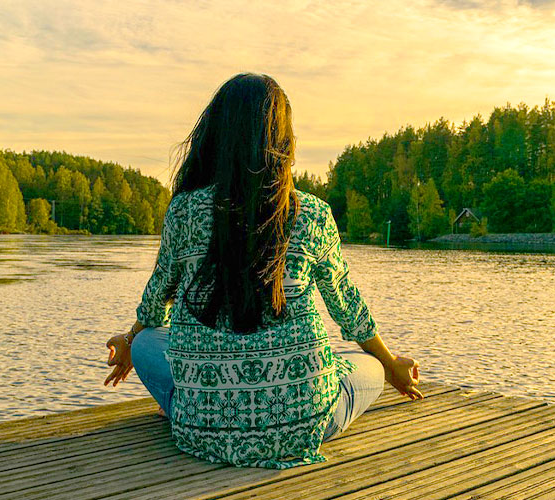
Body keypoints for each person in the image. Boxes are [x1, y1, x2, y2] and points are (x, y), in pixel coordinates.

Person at [103, 73, 422, 469]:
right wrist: (391, 365)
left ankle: (198, 406)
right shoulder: (313, 214)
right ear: (284, 140)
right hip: (305, 425)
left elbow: (155, 301)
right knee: (369, 366)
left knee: (149, 342)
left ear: (216, 135)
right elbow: (348, 309)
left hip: (200, 431)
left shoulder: (184, 210)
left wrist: (131, 339)